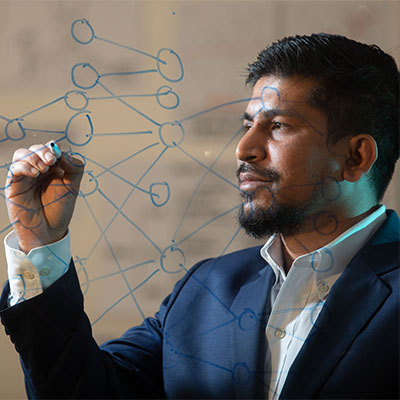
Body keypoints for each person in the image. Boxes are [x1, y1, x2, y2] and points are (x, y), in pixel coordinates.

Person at [0, 33, 399, 399]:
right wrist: (40, 241)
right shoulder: (205, 290)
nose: (244, 148)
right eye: (247, 125)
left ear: (354, 157)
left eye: (277, 126)